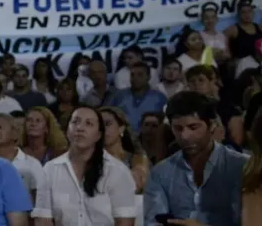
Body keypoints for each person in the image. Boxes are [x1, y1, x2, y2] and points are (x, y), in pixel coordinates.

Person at [144, 91, 248, 226]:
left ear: (211, 125)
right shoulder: (161, 173)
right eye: (178, 128)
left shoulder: (242, 166)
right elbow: (153, 222)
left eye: (193, 127)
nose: (185, 136)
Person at [32, 106, 136, 225]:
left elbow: (125, 221)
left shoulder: (117, 171)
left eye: (89, 124)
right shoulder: (50, 169)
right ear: (67, 131)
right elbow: (42, 219)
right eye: (75, 122)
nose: (80, 128)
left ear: (98, 135)